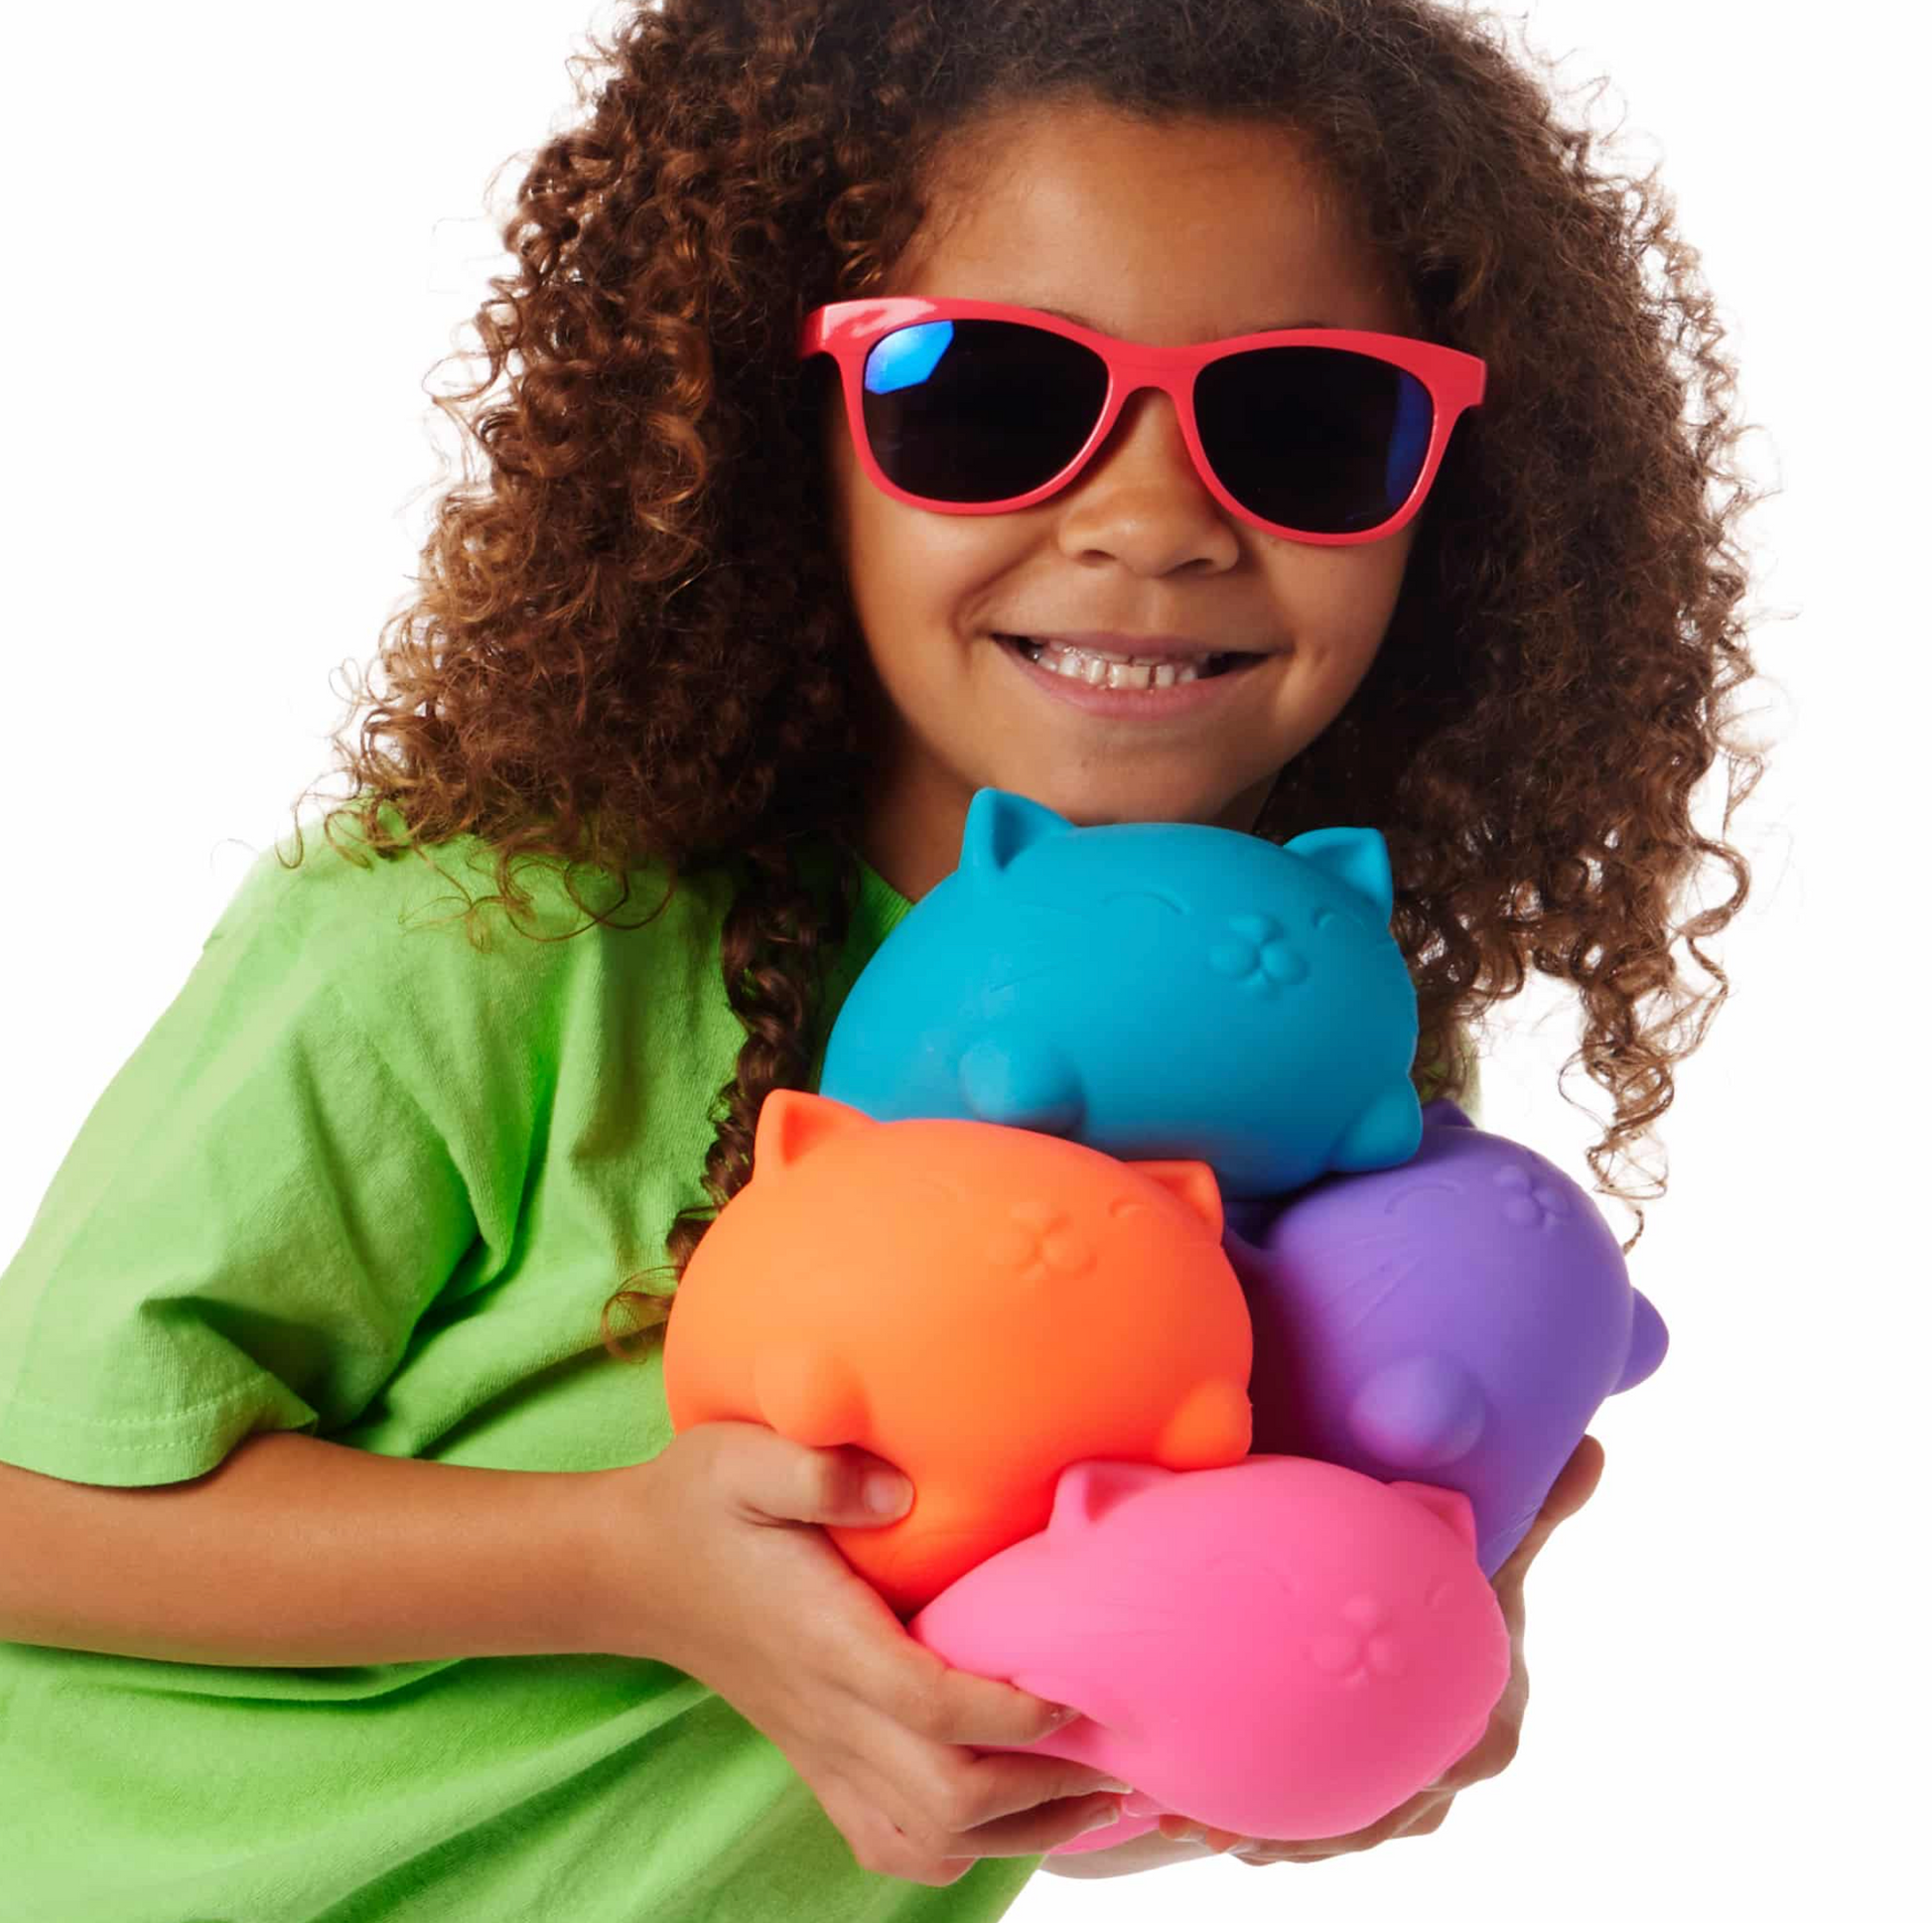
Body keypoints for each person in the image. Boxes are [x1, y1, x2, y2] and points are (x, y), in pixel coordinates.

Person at [0, 1, 1766, 1917]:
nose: (1152, 525)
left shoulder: (1317, 1080)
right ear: (782, 447)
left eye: (1306, 426)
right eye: (987, 399)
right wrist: (621, 1566)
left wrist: (1359, 1674)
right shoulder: (487, 939)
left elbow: (1082, 1694)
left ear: (1463, 507)